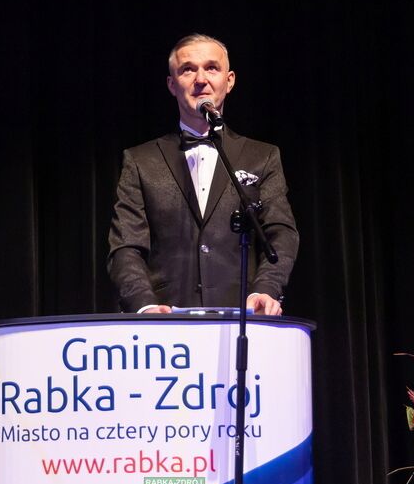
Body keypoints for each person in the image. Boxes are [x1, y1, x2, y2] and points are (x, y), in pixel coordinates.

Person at [107, 34, 298, 314]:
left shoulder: (262, 156)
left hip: (242, 316)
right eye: (188, 69)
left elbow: (281, 233)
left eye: (211, 68)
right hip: (165, 322)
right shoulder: (140, 161)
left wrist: (265, 289)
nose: (200, 79)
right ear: (172, 84)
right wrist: (144, 305)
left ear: (229, 80)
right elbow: (126, 246)